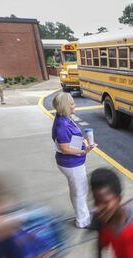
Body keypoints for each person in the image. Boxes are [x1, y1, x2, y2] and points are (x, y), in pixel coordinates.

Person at [52, 92, 94, 229]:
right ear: (64, 106)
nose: (74, 105)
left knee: (76, 190)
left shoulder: (65, 118)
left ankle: (82, 214)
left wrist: (84, 139)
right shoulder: (61, 125)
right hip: (71, 163)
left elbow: (71, 139)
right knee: (80, 192)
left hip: (72, 162)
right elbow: (65, 148)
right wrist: (84, 151)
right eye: (71, 103)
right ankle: (83, 221)